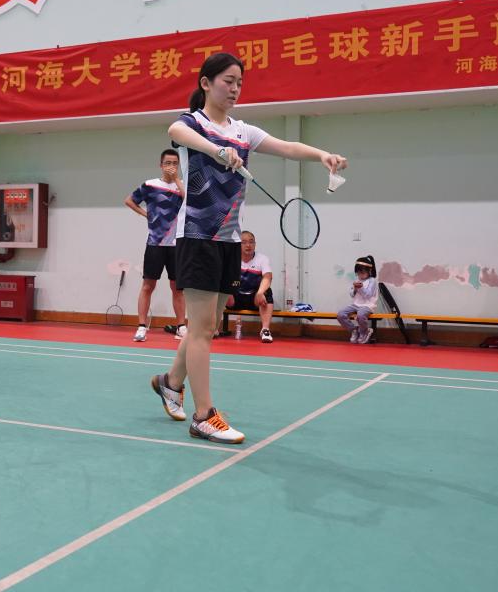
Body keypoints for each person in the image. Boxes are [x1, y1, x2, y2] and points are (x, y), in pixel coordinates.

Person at [148, 52, 347, 444]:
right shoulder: (195, 123)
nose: (235, 88)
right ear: (206, 83)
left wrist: (321, 155)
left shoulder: (243, 131)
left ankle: (170, 382)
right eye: (228, 81)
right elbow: (176, 130)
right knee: (201, 330)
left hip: (229, 240)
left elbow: (287, 146)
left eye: (239, 82)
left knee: (209, 325)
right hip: (198, 237)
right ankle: (204, 416)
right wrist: (215, 150)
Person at [125, 149, 186, 342]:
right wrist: (146, 214)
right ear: (161, 165)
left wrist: (177, 180)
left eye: (175, 163)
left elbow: (190, 203)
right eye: (168, 163)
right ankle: (142, 327)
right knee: (148, 286)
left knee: (177, 288)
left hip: (177, 244)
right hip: (155, 243)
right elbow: (129, 200)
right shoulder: (150, 185)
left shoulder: (183, 186)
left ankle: (181, 327)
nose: (171, 166)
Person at [231, 230, 274, 343]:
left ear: (255, 244)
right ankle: (213, 328)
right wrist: (227, 291)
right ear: (238, 245)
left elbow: (268, 277)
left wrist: (260, 292)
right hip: (234, 298)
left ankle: (265, 330)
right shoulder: (231, 259)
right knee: (220, 293)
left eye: (251, 242)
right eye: (244, 242)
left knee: (267, 292)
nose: (248, 245)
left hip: (254, 299)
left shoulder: (262, 259)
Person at [337, 256, 378, 344]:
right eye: (358, 273)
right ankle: (354, 330)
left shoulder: (372, 281)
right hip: (356, 304)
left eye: (362, 272)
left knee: (360, 315)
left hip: (368, 305)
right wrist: (355, 289)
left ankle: (365, 332)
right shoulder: (357, 280)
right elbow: (352, 294)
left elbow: (368, 295)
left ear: (369, 271)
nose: (360, 275)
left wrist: (361, 288)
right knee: (340, 314)